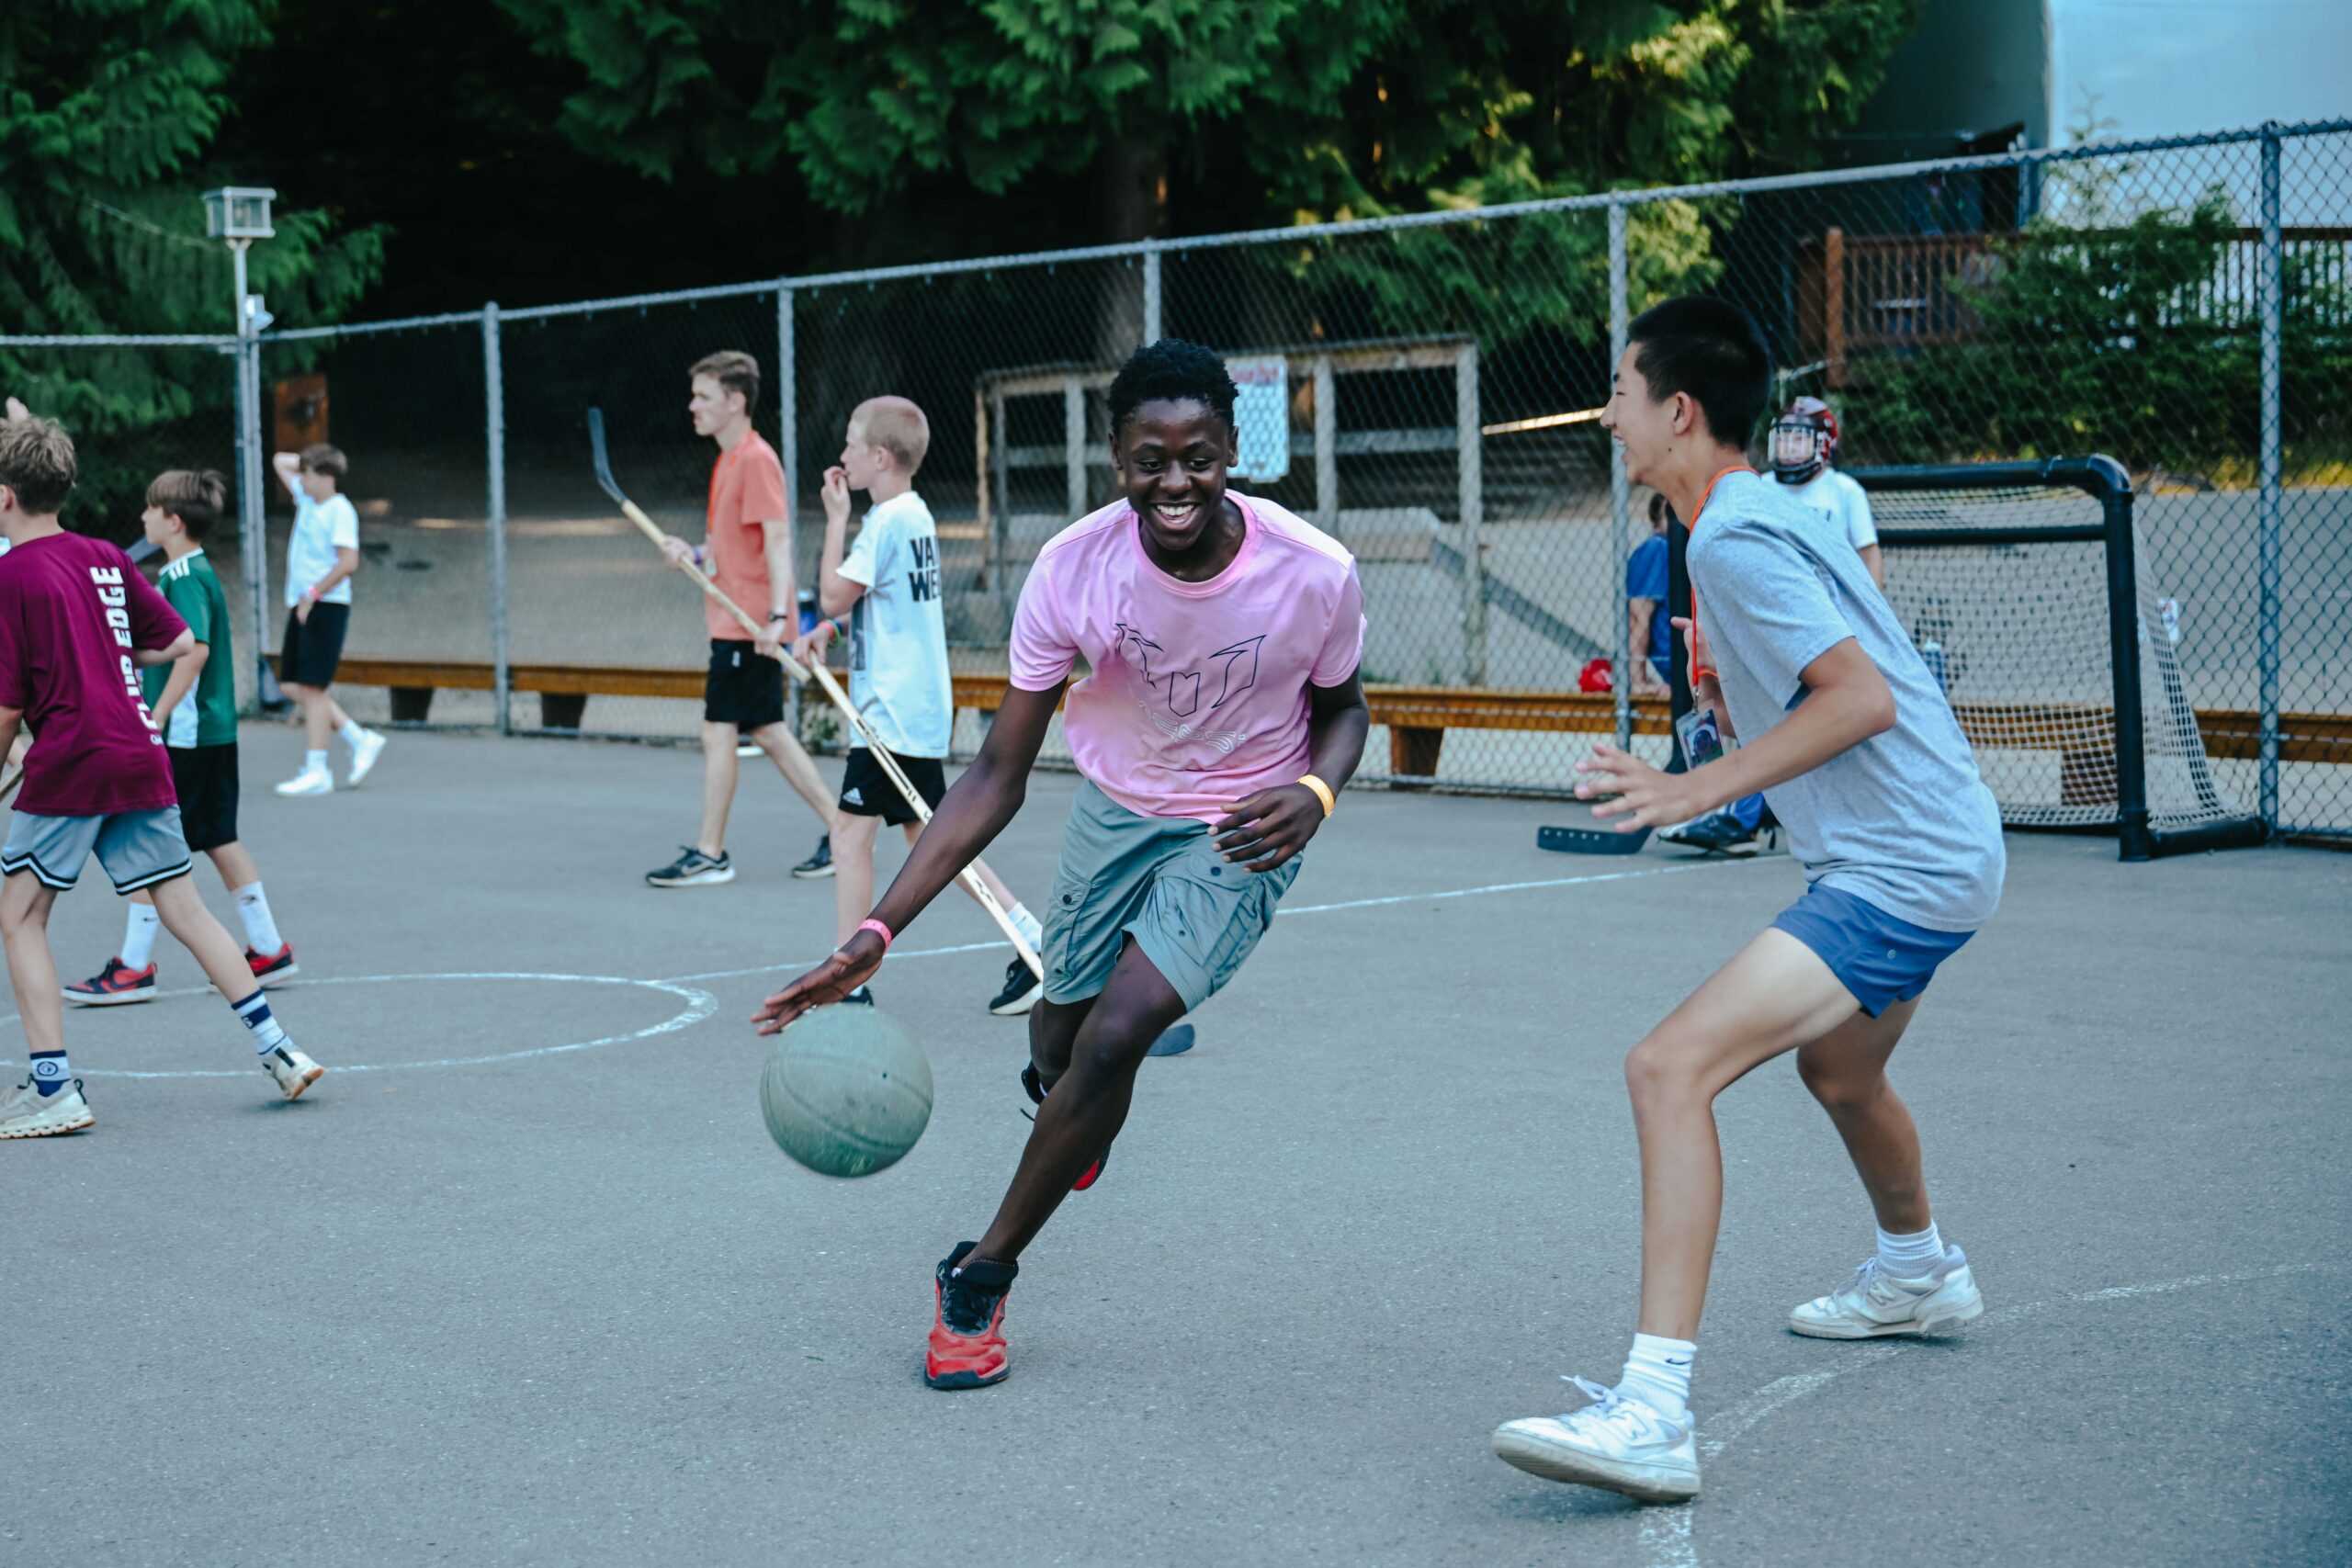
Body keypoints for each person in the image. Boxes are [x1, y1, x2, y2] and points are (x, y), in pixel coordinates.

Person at [752, 338, 1368, 1391]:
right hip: (1116, 810)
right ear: (1116, 458)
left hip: (1242, 825)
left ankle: (978, 1278)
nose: (1175, 483)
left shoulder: (1313, 571)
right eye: (1149, 460)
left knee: (1120, 1034)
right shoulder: (1076, 569)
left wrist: (1315, 793)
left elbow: (1346, 709)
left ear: (1231, 452)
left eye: (1199, 458)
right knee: (1061, 1044)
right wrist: (876, 932)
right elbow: (996, 772)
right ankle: (1069, 1106)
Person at [1490, 298, 2003, 1504]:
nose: (1607, 416)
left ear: (1678, 410)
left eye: (1620, 392)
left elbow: (1860, 697)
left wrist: (1693, 787)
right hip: (1936, 841)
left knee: (1668, 1068)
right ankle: (1919, 1270)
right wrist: (1730, 710)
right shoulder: (1749, 518)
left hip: (1902, 861)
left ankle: (1652, 1410)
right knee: (1841, 1073)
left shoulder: (1731, 536)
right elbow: (1841, 675)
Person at [0, 402, 325, 1138]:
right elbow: (177, 641)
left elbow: (8, 705)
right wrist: (106, 654)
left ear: (5, 496)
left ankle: (52, 1088)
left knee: (19, 916)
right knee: (185, 907)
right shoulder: (106, 557)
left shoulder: (13, 575)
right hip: (138, 750)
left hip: (75, 758)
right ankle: (281, 1049)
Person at [795, 396, 1045, 1016]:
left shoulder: (885, 522)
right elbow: (878, 607)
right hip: (910, 710)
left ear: (880, 457)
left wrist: (835, 519)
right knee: (934, 842)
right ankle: (1032, 941)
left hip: (893, 716)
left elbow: (834, 595)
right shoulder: (915, 515)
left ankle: (847, 980)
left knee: (849, 835)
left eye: (852, 444)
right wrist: (830, 633)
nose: (843, 454)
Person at [64, 471, 299, 1004]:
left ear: (171, 521)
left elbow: (193, 649)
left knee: (150, 842)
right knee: (218, 834)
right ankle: (268, 947)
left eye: (150, 508)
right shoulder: (191, 571)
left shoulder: (184, 576)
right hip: (211, 730)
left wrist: (157, 714)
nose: (142, 517)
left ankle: (134, 966)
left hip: (189, 733)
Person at [644, 350, 836, 888]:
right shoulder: (727, 460)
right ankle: (843, 831)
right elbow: (728, 545)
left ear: (735, 401)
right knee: (768, 731)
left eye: (703, 397)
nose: (693, 406)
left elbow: (778, 540)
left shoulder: (755, 459)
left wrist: (777, 617)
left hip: (751, 626)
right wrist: (692, 553)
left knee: (719, 730)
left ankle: (711, 853)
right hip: (737, 622)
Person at [271, 443, 388, 796]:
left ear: (326, 477)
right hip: (303, 604)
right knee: (291, 685)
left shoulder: (340, 511)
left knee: (314, 689)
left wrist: (314, 594)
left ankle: (317, 769)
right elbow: (280, 461)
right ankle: (358, 737)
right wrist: (310, 462)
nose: (300, 480)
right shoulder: (307, 499)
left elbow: (348, 562)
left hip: (326, 605)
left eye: (307, 475)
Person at [1772, 396, 1882, 588]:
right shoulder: (1762, 486)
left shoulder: (1846, 490)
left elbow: (1868, 552)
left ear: (1824, 443)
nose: (1789, 447)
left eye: (1799, 438)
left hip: (1832, 596)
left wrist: (1873, 602)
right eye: (1783, 437)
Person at [1624, 491, 1675, 696]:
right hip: (1680, 663)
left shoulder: (1683, 550)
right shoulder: (1657, 548)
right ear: (1656, 525)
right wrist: (1639, 682)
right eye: (1670, 515)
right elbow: (1638, 617)